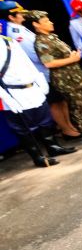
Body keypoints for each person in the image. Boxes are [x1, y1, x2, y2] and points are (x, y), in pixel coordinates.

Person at [28, 10, 82, 144]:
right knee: (77, 107)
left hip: (73, 77)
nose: (50, 22)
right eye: (45, 21)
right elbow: (49, 63)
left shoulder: (52, 37)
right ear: (36, 25)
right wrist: (72, 59)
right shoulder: (42, 42)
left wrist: (72, 56)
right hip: (65, 80)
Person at [0, 36, 76, 167]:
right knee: (23, 129)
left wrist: (39, 79)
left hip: (31, 87)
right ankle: (38, 156)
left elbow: (26, 62)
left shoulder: (8, 41)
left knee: (45, 120)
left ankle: (53, 147)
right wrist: (5, 97)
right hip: (12, 93)